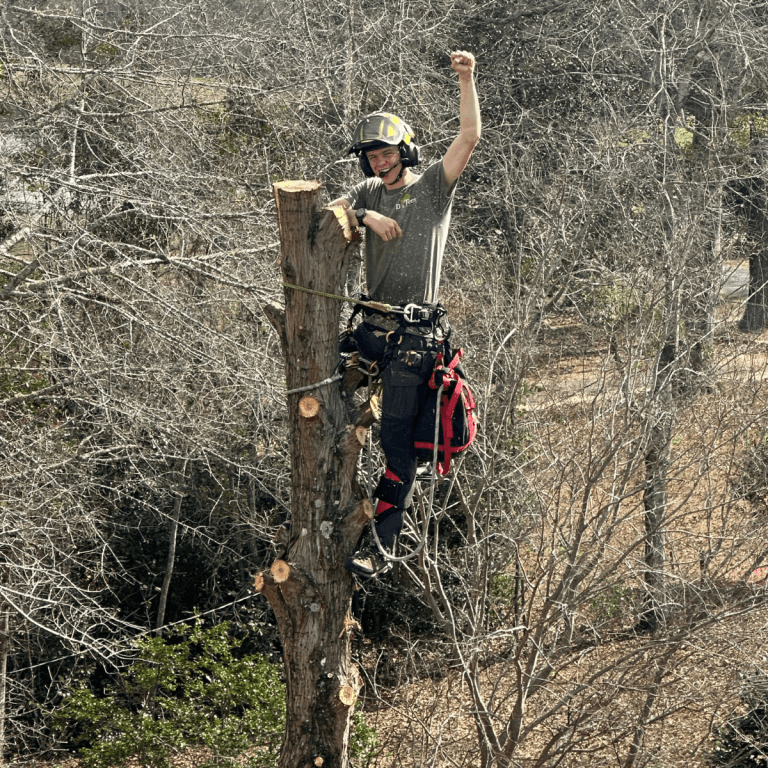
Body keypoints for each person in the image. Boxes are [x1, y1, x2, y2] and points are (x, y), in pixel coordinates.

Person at [329, 51, 481, 578]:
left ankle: (380, 546)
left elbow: (468, 139)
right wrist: (364, 213)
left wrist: (467, 79)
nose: (377, 160)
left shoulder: (433, 188)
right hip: (370, 330)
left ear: (404, 150)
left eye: (385, 151)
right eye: (370, 154)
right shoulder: (369, 191)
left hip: (415, 339)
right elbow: (331, 208)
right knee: (320, 404)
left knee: (398, 445)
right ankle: (328, 516)